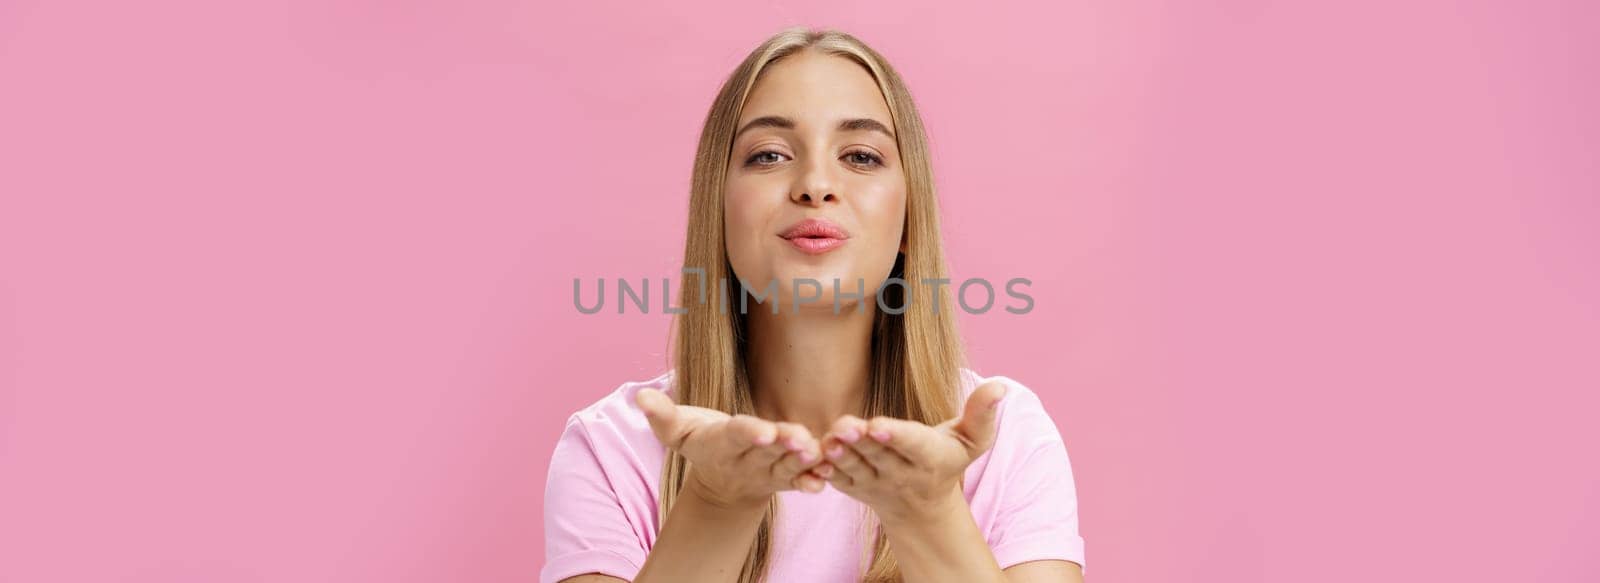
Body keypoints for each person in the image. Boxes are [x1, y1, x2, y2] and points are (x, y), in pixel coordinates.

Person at [542, 27, 1085, 583]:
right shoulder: (612, 449)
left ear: (908, 217)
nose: (816, 184)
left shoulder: (1004, 440)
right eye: (770, 154)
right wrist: (716, 503)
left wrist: (928, 513)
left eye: (860, 156)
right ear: (719, 208)